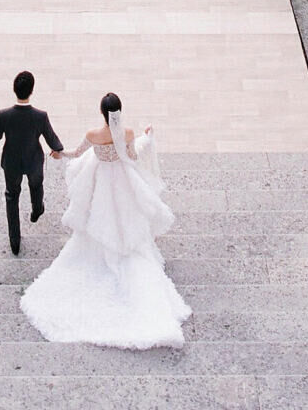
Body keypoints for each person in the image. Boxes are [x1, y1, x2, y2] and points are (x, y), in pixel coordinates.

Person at [20, 91, 189, 349]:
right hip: (122, 180)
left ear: (102, 112)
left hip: (100, 181)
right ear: (119, 111)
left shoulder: (93, 135)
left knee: (97, 218)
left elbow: (77, 153)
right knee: (127, 218)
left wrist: (58, 154)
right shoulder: (128, 133)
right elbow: (131, 157)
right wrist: (148, 138)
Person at [0, 71, 64, 257]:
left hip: (12, 162)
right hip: (33, 161)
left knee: (11, 196)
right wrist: (58, 149)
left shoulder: (4, 115)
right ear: (32, 91)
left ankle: (15, 240)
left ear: (14, 90)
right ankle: (37, 209)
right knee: (36, 186)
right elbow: (52, 139)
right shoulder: (40, 116)